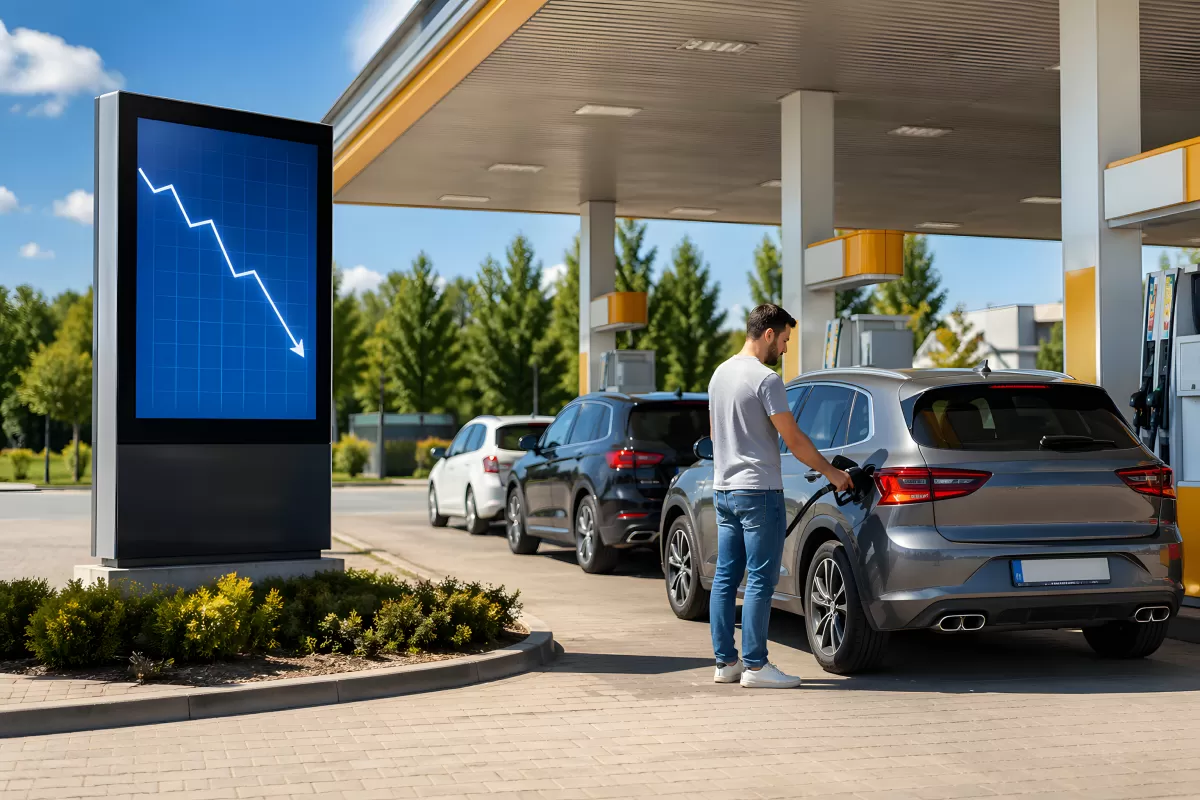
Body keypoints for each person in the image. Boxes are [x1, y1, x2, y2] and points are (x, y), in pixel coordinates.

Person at [707, 303, 853, 689]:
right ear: (769, 333)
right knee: (760, 579)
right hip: (758, 491)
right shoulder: (765, 380)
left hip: (724, 489)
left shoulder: (719, 375)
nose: (786, 349)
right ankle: (756, 666)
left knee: (725, 577)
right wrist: (833, 473)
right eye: (785, 340)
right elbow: (794, 439)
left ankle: (726, 663)